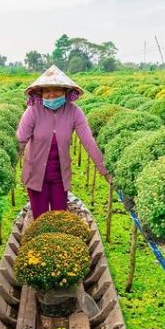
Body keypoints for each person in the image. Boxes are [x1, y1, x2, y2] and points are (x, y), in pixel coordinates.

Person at [16, 66, 109, 218]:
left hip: (59, 176)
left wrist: (105, 171)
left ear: (66, 91)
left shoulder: (74, 112)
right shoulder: (33, 111)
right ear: (40, 93)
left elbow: (89, 142)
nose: (51, 95)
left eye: (57, 90)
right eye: (47, 91)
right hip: (35, 175)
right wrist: (9, 168)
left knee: (60, 217)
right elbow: (20, 141)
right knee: (41, 219)